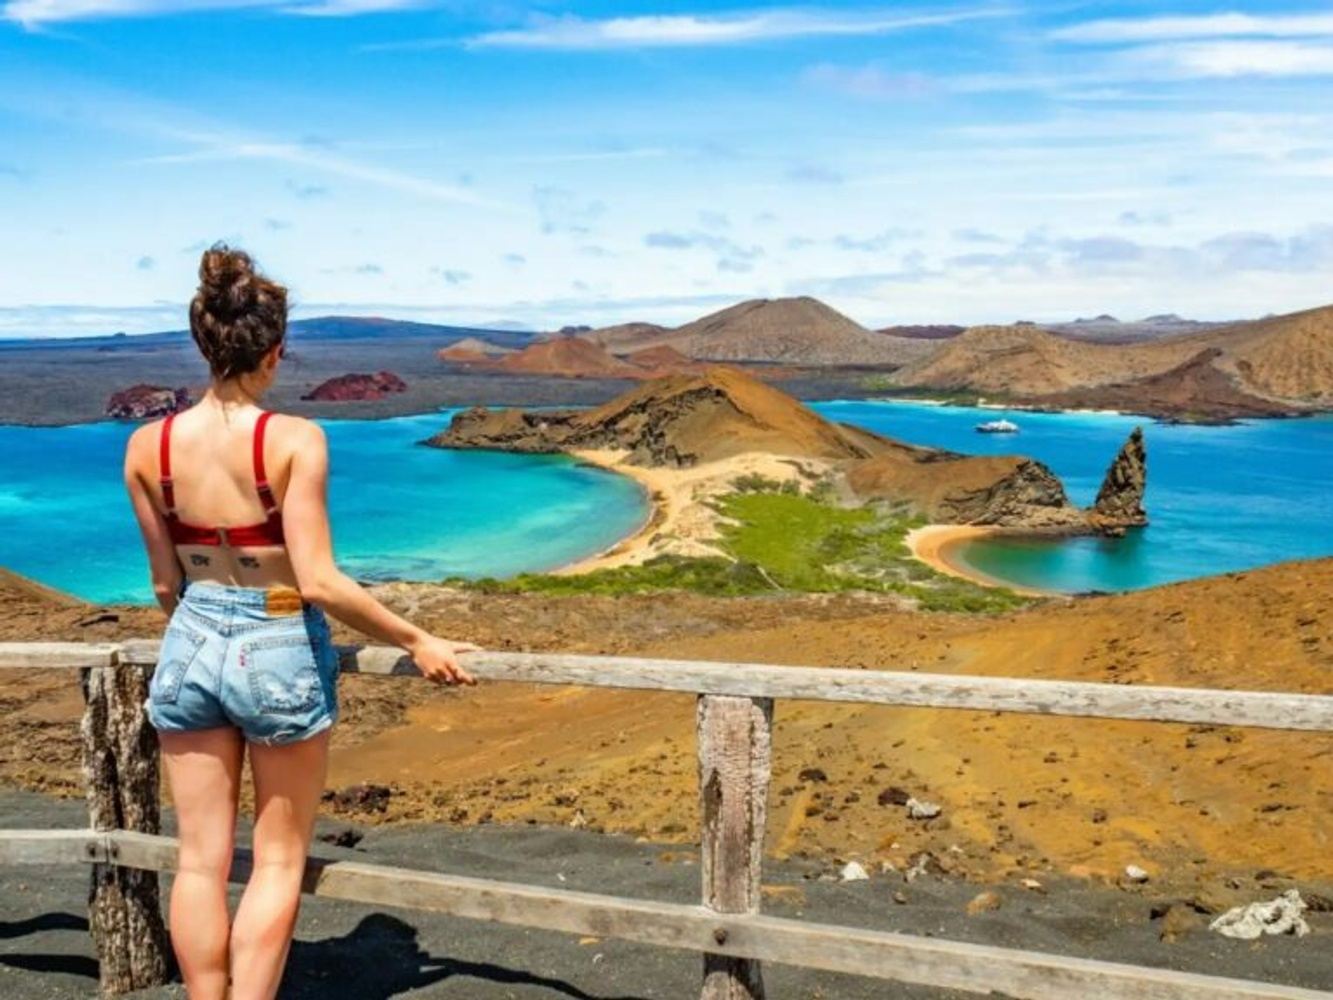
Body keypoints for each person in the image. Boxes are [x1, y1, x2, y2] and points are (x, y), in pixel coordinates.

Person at [122, 243, 480, 1000]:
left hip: (187, 639)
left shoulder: (144, 446)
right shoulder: (292, 441)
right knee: (278, 860)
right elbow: (317, 580)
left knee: (198, 861)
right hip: (277, 637)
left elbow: (164, 582)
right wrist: (417, 638)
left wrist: (205, 623)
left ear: (203, 343)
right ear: (276, 352)